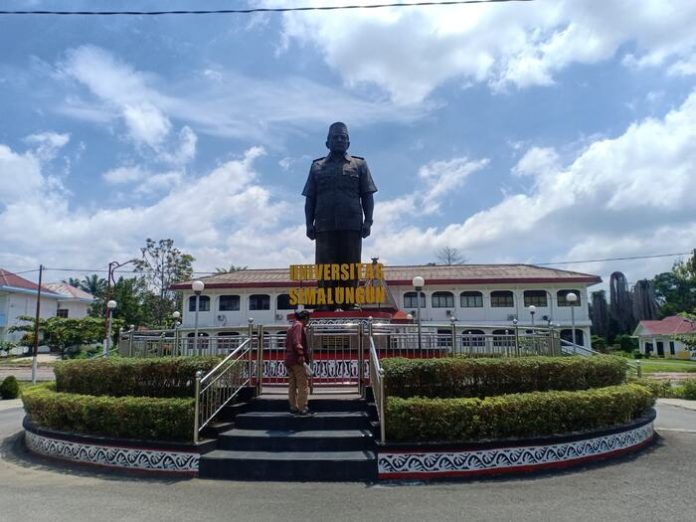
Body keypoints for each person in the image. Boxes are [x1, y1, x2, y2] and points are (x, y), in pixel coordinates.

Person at [302, 122, 378, 307]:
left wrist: (368, 221)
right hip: (324, 225)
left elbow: (367, 195)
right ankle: (326, 303)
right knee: (325, 266)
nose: (339, 140)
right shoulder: (316, 166)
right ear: (327, 143)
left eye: (342, 137)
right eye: (335, 137)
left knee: (350, 266)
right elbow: (310, 198)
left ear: (348, 143)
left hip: (351, 225)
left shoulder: (359, 164)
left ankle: (349, 303)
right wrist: (308, 224)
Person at [284, 309, 312, 415]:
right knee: (303, 385)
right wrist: (301, 354)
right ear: (305, 318)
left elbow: (287, 343)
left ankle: (293, 406)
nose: (308, 322)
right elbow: (297, 341)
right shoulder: (299, 326)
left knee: (292, 385)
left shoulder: (291, 326)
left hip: (289, 359)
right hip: (297, 360)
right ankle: (302, 407)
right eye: (308, 320)